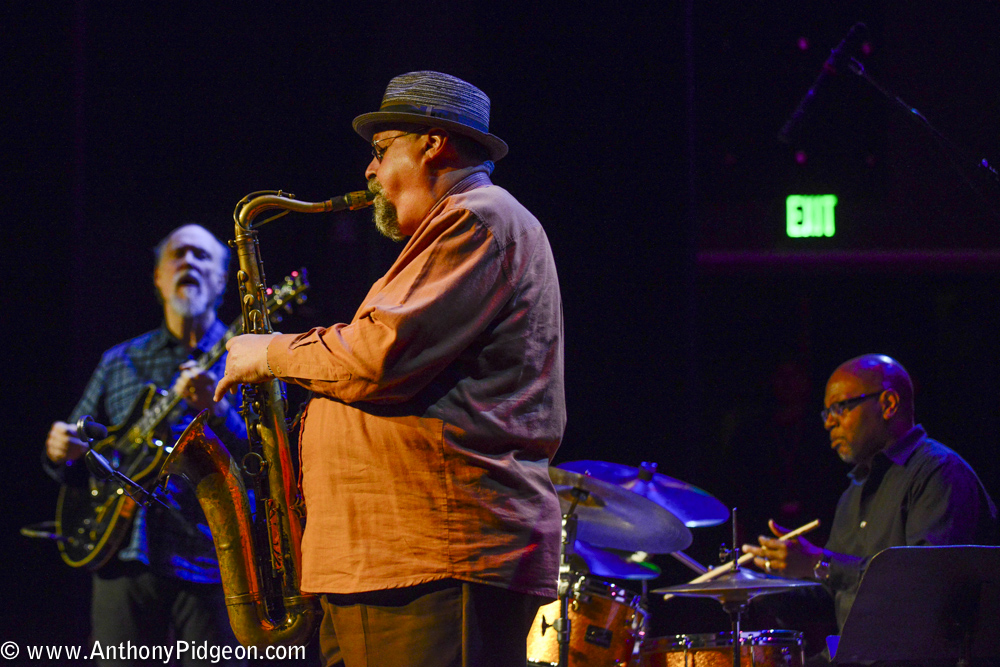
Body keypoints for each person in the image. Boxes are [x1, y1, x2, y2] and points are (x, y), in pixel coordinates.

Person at [216, 70, 566, 667]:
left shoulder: (477, 217)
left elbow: (377, 357)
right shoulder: (456, 229)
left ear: (434, 144)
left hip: (434, 559)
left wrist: (268, 353)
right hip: (388, 561)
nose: (370, 172)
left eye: (381, 151)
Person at [45, 224, 246, 667]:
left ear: (221, 280)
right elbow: (76, 450)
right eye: (178, 254)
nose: (188, 261)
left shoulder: (246, 359)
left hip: (216, 560)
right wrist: (61, 450)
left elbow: (264, 462)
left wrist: (216, 411)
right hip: (124, 554)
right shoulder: (119, 360)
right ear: (158, 277)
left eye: (202, 256)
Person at [742, 354, 998, 633]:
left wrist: (820, 563)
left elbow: (927, 588)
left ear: (888, 404)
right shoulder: (853, 493)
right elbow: (834, 598)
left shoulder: (938, 472)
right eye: (826, 413)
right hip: (860, 652)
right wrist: (754, 589)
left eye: (840, 408)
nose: (829, 423)